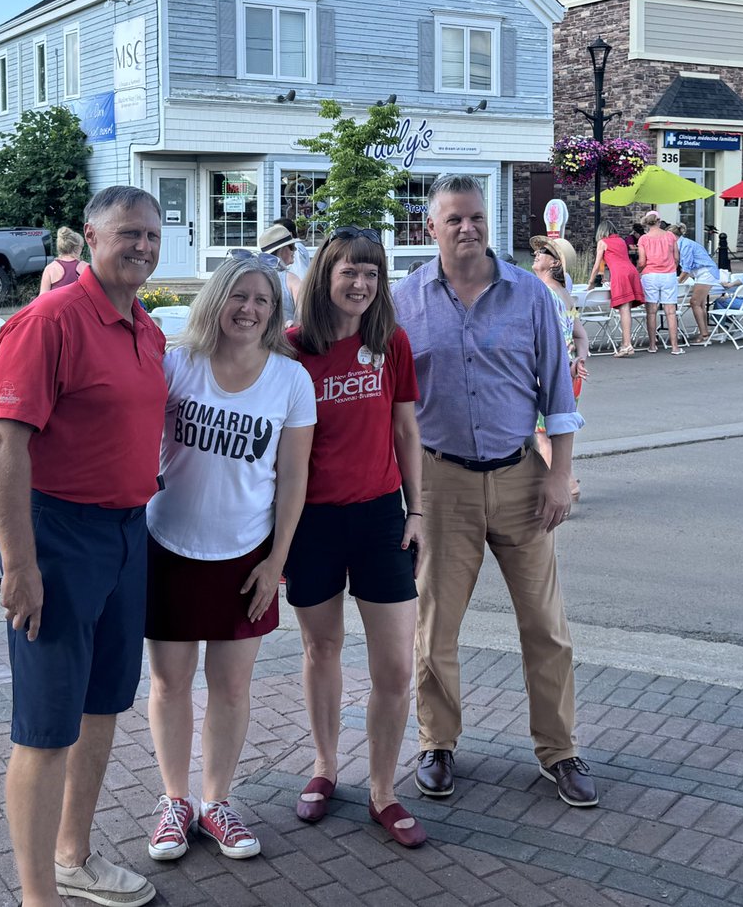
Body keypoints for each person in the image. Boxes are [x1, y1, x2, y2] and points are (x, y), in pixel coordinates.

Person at [0, 186, 167, 907]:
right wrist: (20, 564)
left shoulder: (145, 327)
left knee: (100, 707)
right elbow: (1, 443)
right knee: (46, 725)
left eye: (151, 235)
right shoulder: (48, 322)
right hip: (56, 537)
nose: (142, 247)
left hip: (127, 533)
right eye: (128, 234)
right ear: (91, 236)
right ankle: (39, 898)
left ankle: (73, 858)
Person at [392, 173, 596, 809]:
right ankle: (437, 742)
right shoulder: (402, 303)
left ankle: (559, 750)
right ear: (430, 228)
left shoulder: (530, 295)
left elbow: (557, 392)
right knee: (436, 625)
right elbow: (390, 406)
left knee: (546, 625)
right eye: (453, 219)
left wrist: (559, 473)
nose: (468, 228)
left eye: (476, 216)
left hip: (520, 478)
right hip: (441, 481)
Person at [143, 256, 315, 864]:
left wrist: (277, 563)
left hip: (247, 555)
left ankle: (216, 801)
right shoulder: (178, 363)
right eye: (237, 296)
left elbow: (294, 481)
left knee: (232, 686)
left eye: (262, 300)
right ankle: (174, 801)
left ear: (275, 312)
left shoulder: (291, 380)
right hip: (169, 546)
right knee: (168, 682)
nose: (248, 308)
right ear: (216, 300)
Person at [285, 226, 428, 848]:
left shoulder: (389, 341)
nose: (362, 284)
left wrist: (416, 510)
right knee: (322, 649)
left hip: (379, 518)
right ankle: (323, 768)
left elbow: (406, 432)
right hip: (310, 520)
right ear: (326, 274)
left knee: (395, 666)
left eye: (372, 274)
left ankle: (383, 790)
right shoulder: (290, 348)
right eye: (351, 272)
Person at [530, 235, 588, 501]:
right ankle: (568, 482)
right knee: (558, 432)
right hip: (567, 372)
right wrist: (581, 359)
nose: (536, 254)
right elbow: (580, 335)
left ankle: (564, 485)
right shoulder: (564, 295)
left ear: (555, 262)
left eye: (543, 252)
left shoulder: (545, 294)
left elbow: (544, 337)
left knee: (543, 435)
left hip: (550, 374)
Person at [586, 221, 643, 356]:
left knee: (623, 309)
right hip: (631, 271)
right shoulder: (621, 241)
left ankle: (628, 345)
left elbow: (597, 264)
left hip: (620, 274)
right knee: (627, 309)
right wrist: (603, 275)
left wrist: (591, 282)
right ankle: (624, 343)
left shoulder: (602, 242)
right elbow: (613, 259)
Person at [637, 212, 683, 355]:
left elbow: (642, 261)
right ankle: (674, 346)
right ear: (659, 221)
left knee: (651, 311)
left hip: (650, 275)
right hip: (668, 275)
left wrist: (639, 270)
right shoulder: (670, 236)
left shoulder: (644, 239)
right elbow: (676, 257)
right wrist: (671, 268)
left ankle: (652, 345)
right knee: (671, 311)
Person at [670, 222, 719, 343]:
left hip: (705, 272)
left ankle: (704, 334)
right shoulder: (684, 243)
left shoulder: (684, 245)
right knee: (699, 304)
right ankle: (704, 333)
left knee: (695, 302)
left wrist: (677, 284)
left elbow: (686, 269)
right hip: (704, 272)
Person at [256, 224, 302, 325]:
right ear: (282, 249)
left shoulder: (255, 277)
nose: (294, 250)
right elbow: (303, 316)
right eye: (292, 246)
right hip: (284, 338)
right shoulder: (291, 280)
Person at [39, 226, 87, 294]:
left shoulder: (50, 269)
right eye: (82, 247)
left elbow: (42, 299)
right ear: (77, 248)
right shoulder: (85, 267)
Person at [273, 217, 311, 281]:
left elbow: (301, 276)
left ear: (289, 233)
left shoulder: (295, 248)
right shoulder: (293, 247)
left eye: (278, 231)